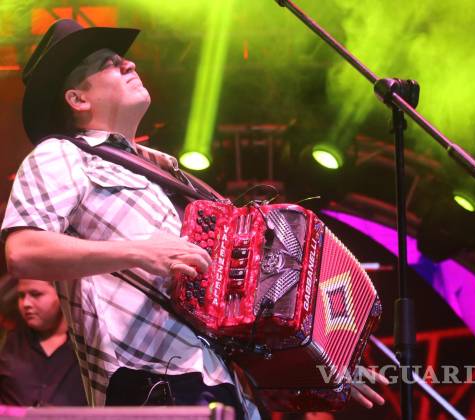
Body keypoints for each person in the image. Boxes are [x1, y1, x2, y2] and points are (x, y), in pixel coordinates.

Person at [1, 19, 386, 418]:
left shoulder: (173, 175)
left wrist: (320, 364)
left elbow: (240, 305)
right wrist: (140, 252)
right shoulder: (62, 155)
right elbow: (23, 251)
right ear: (78, 99)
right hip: (152, 381)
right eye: (110, 64)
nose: (130, 64)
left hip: (226, 383)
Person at [0, 279, 87, 406]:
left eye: (36, 294)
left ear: (62, 295)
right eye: (21, 296)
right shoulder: (8, 341)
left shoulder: (86, 346)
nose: (26, 303)